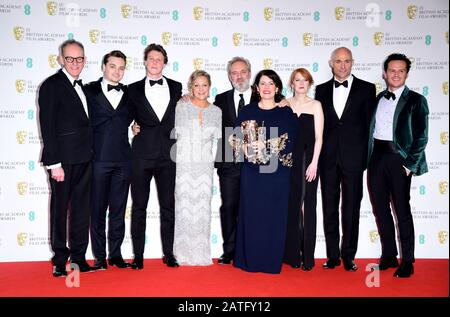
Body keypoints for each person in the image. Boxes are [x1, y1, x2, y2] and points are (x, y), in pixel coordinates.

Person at [38, 39, 96, 277]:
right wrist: (54, 164)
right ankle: (60, 259)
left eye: (79, 58)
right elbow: (48, 126)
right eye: (70, 58)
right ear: (61, 59)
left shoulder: (85, 87)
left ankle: (79, 258)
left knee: (82, 211)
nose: (75, 63)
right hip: (62, 161)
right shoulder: (51, 85)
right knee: (60, 210)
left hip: (85, 158)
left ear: (84, 60)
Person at [315, 47, 376, 271]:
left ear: (353, 62)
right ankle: (332, 256)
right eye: (338, 61)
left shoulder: (367, 89)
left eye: (347, 61)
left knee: (351, 208)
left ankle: (349, 255)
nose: (342, 65)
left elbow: (370, 126)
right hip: (328, 158)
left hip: (354, 159)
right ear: (331, 63)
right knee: (329, 207)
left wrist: (365, 157)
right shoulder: (320, 90)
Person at [368, 53, 429, 278]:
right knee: (380, 209)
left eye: (400, 71)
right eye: (392, 70)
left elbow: (422, 136)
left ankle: (408, 261)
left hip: (399, 161)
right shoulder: (378, 99)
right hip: (377, 159)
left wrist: (409, 165)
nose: (395, 74)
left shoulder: (416, 100)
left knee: (402, 211)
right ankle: (389, 256)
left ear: (406, 73)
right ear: (385, 73)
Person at [232, 69, 298, 274]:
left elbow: (290, 142)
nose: (267, 87)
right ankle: (247, 260)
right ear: (257, 88)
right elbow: (234, 137)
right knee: (251, 215)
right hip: (251, 173)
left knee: (273, 217)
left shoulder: (286, 113)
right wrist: (240, 146)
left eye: (271, 83)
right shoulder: (247, 111)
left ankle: (270, 262)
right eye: (263, 83)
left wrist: (265, 145)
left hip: (277, 174)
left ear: (277, 87)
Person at [128, 43, 182, 269]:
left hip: (168, 156)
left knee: (168, 206)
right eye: (151, 58)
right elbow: (123, 115)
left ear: (165, 63)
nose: (155, 63)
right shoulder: (132, 89)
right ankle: (138, 255)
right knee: (139, 206)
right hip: (141, 155)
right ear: (145, 61)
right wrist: (131, 126)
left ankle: (169, 253)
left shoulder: (178, 87)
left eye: (159, 59)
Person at [84, 50, 133, 270]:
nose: (117, 71)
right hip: (97, 160)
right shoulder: (88, 91)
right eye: (113, 66)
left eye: (121, 67)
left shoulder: (132, 94)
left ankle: (115, 254)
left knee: (118, 211)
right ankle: (99, 257)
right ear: (104, 66)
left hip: (123, 160)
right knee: (97, 210)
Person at [173, 70, 222, 265]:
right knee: (183, 208)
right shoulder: (181, 105)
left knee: (202, 209)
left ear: (209, 87)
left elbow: (220, 140)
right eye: (197, 85)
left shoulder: (216, 111)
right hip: (183, 164)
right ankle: (182, 253)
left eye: (204, 85)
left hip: (204, 166)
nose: (201, 89)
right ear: (191, 87)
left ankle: (201, 254)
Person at [213, 57, 257, 265]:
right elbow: (202, 115)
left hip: (258, 162)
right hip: (228, 161)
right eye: (234, 73)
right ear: (229, 77)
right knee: (229, 206)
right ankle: (229, 250)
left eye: (242, 72)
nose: (239, 76)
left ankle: (251, 248)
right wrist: (187, 98)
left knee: (255, 207)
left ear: (249, 73)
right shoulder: (220, 99)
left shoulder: (264, 95)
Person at [283, 68, 324, 271]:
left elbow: (319, 138)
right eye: (297, 79)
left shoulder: (315, 105)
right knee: (291, 207)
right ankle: (292, 254)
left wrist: (314, 163)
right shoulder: (284, 103)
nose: (301, 83)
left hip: (308, 160)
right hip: (289, 161)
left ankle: (308, 256)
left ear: (309, 83)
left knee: (308, 207)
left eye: (305, 80)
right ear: (292, 83)